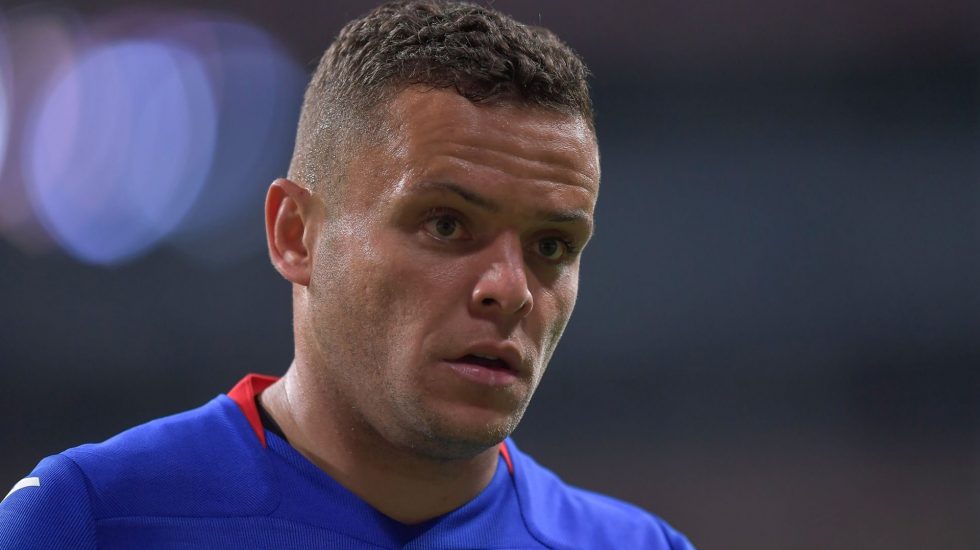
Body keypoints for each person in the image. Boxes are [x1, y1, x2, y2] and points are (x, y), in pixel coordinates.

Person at [0, 1, 694, 548]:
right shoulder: (89, 520)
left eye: (551, 245)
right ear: (295, 234)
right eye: (446, 225)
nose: (510, 289)